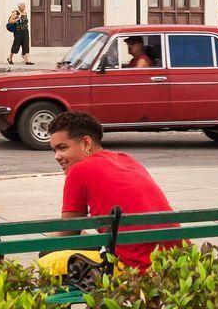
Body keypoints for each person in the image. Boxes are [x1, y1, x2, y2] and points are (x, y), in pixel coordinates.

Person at [42, 111, 179, 273]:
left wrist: (49, 238)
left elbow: (69, 232)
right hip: (177, 263)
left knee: (47, 257)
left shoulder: (78, 170)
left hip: (137, 269)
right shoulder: (126, 159)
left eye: (62, 148)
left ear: (86, 143)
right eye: (54, 151)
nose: (57, 156)